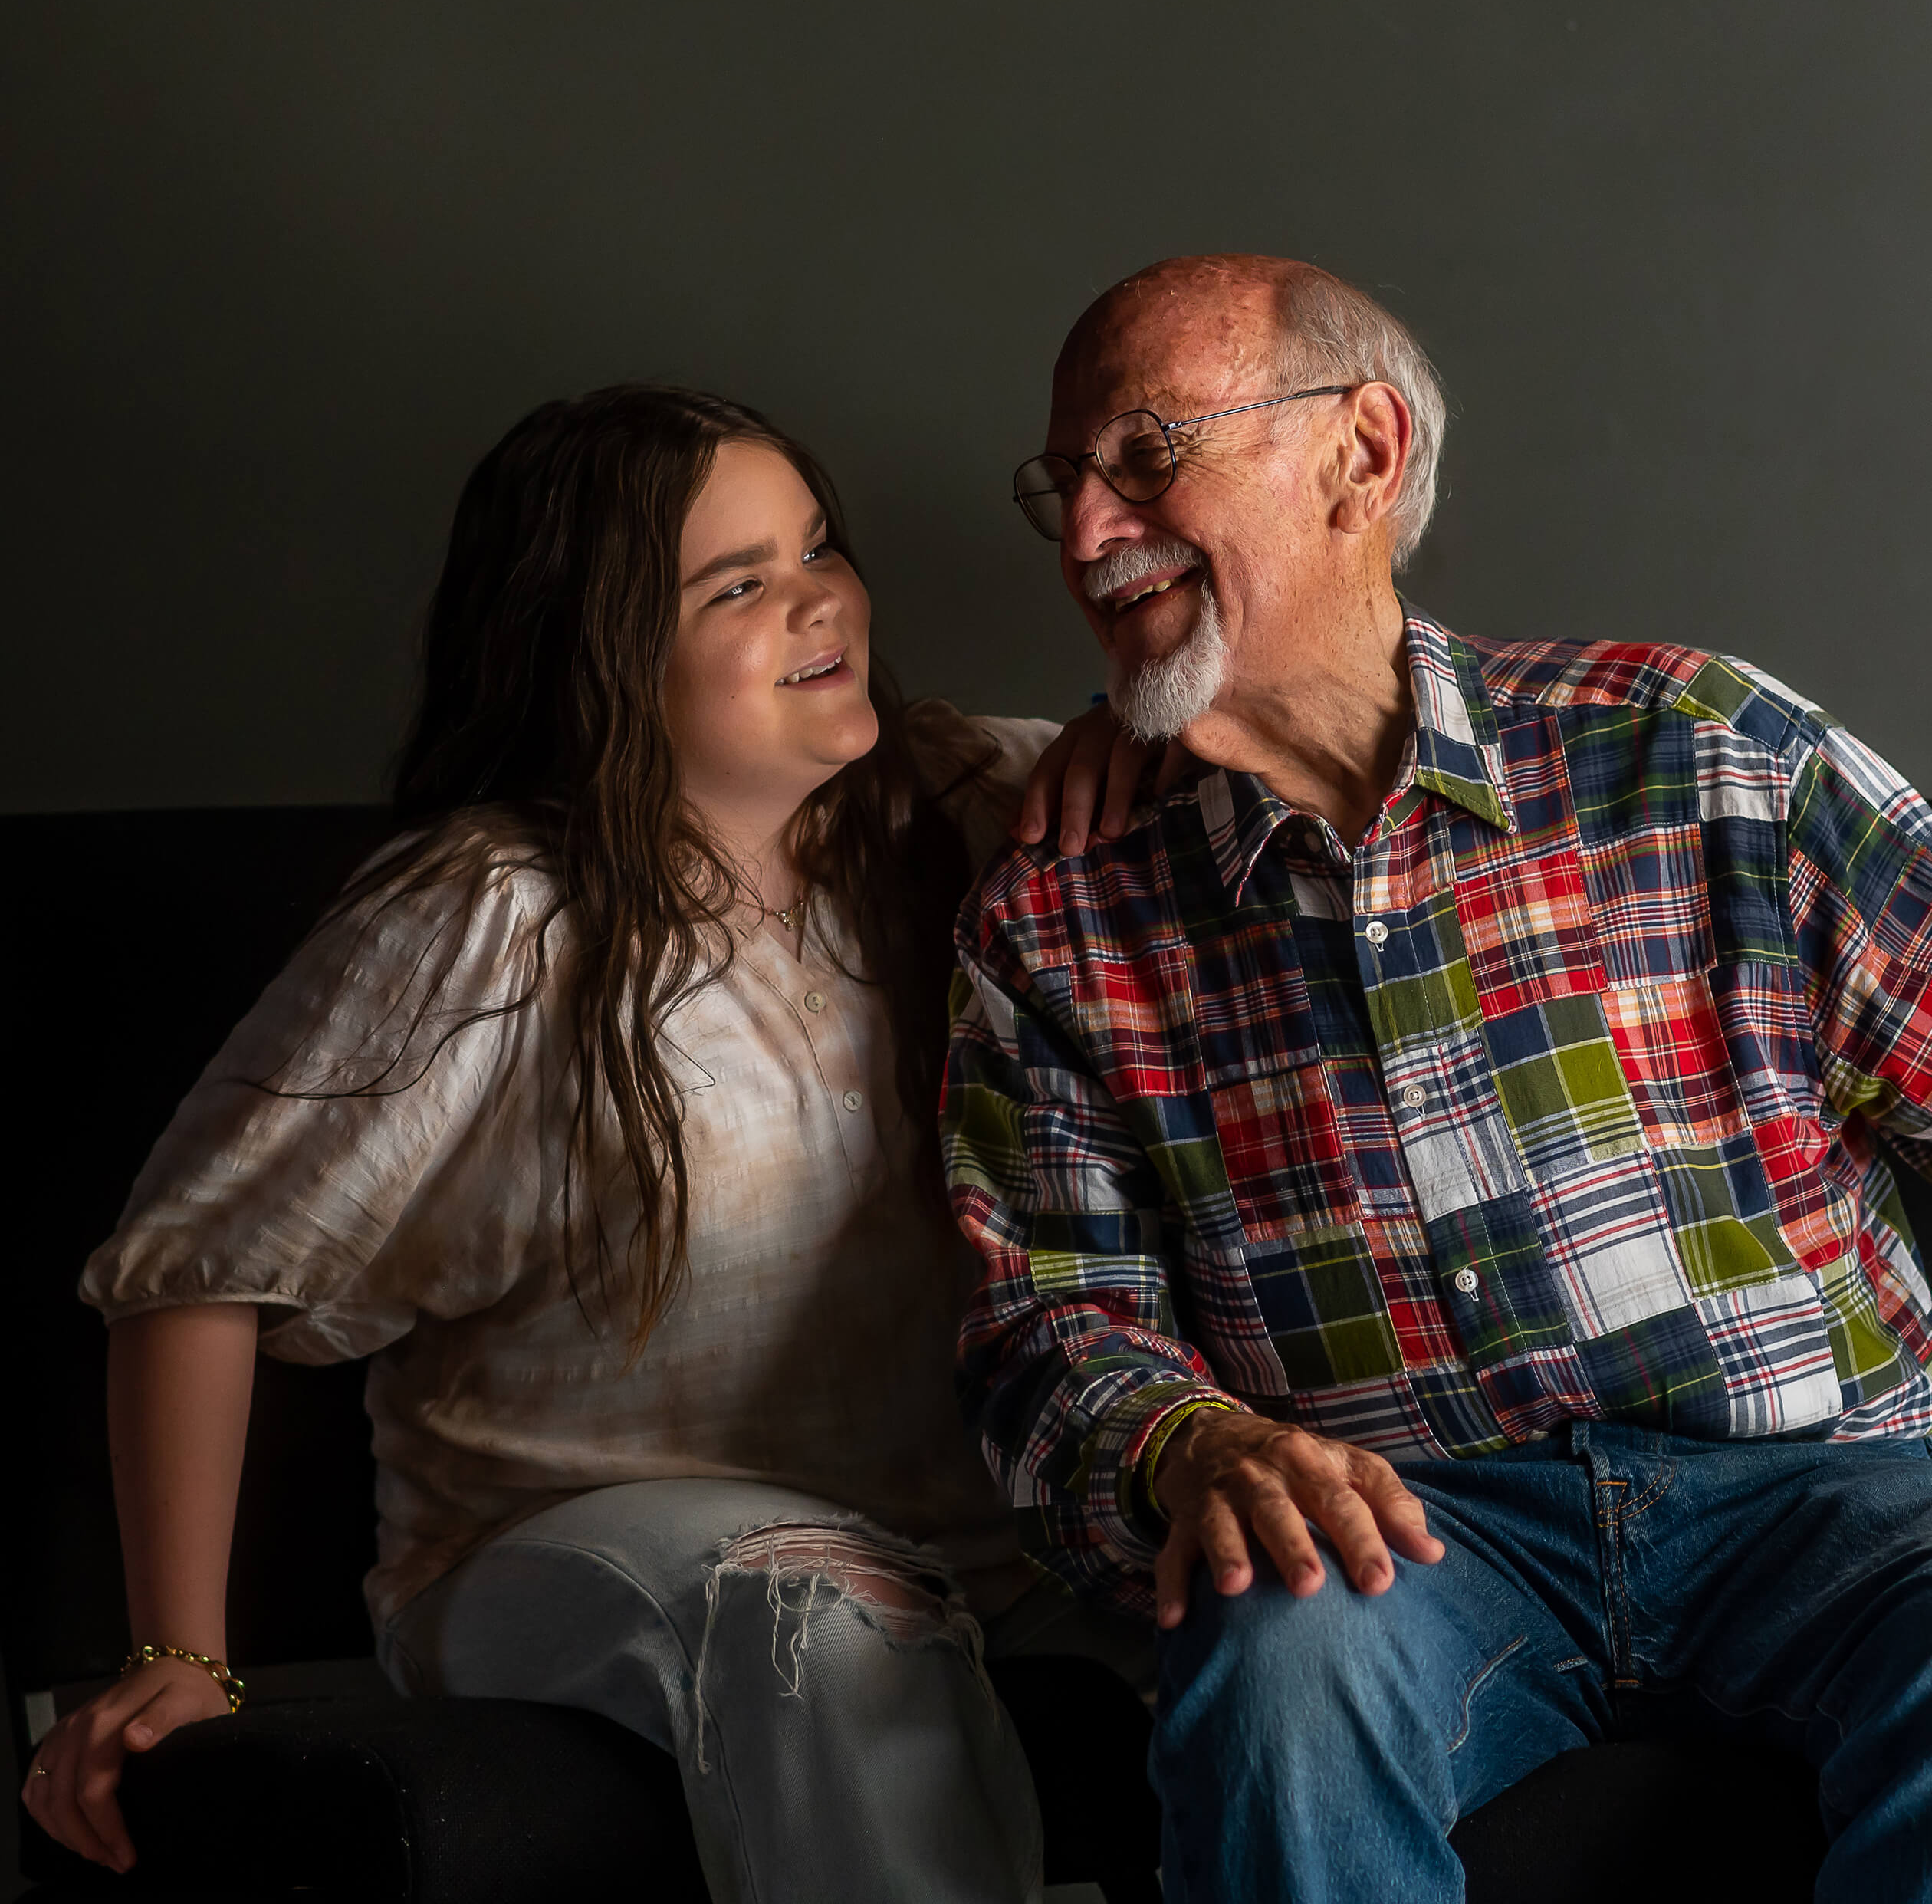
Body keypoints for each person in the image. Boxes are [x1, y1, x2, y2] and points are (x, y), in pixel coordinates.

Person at [23, 383, 1150, 1904]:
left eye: (818, 549)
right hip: (557, 1558)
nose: (820, 601)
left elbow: (1247, 754)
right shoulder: (490, 916)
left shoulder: (958, 804)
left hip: (978, 1561)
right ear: (607, 650)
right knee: (816, 1609)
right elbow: (190, 1274)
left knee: (1277, 1614)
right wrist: (178, 1656)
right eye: (737, 584)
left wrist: (1132, 741)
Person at [948, 254, 1932, 1902]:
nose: (1087, 536)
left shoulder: (1699, 748)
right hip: (1408, 1535)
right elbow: (1045, 1324)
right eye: (1065, 485)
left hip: (1829, 1490)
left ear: (1362, 454)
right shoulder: (1058, 911)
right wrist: (1188, 1450)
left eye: (1145, 455)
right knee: (1276, 1669)